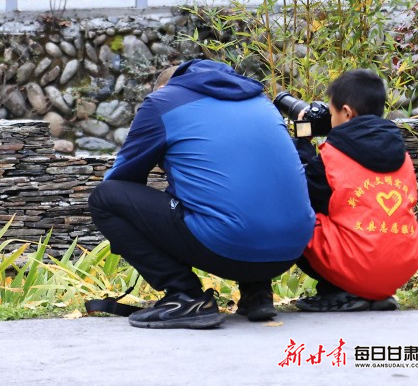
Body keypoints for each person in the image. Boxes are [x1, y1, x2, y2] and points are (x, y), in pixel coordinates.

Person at [88, 59, 316, 329]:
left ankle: (185, 296)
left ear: (163, 87)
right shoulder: (262, 102)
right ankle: (257, 294)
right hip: (290, 250)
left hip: (229, 248)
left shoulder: (162, 102)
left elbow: (123, 179)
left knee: (105, 198)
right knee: (236, 190)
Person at [293, 69, 418, 312]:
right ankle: (374, 291)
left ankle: (337, 291)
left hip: (359, 265)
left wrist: (303, 137)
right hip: (404, 263)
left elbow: (304, 197)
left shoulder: (332, 155)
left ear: (346, 112)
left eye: (332, 113)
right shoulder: (402, 154)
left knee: (297, 220)